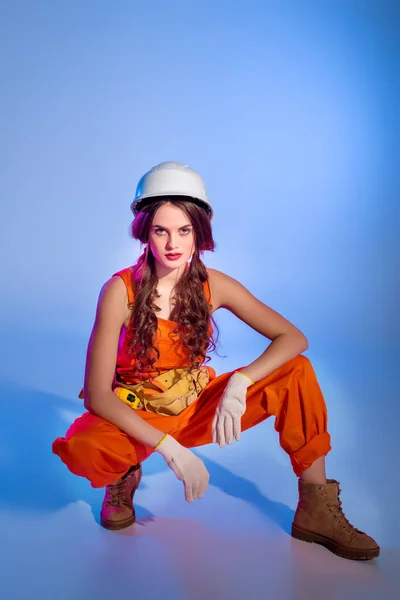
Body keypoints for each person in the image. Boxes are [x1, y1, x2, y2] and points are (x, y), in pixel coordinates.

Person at [53, 161, 380, 561]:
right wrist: (172, 450)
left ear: (198, 232)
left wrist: (241, 381)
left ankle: (316, 507)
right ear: (145, 232)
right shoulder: (118, 291)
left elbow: (293, 338)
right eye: (161, 230)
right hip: (135, 413)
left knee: (296, 372)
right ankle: (122, 476)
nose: (173, 243)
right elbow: (98, 397)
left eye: (184, 230)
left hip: (194, 404)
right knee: (85, 447)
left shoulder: (215, 284)